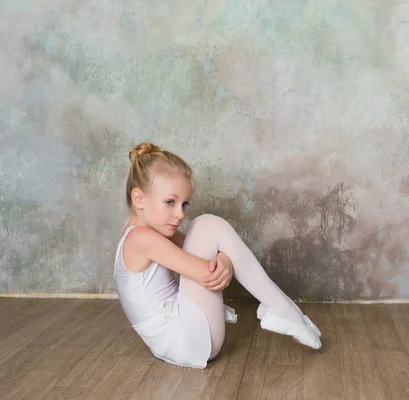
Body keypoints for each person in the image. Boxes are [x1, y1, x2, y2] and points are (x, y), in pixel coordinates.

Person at [113, 142, 322, 369]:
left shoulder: (142, 232)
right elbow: (209, 273)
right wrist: (225, 261)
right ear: (139, 199)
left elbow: (211, 250)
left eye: (184, 204)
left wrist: (224, 258)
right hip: (188, 341)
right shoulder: (141, 239)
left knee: (205, 226)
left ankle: (282, 309)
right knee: (207, 224)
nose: (179, 214)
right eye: (170, 202)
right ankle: (282, 309)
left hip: (177, 340)